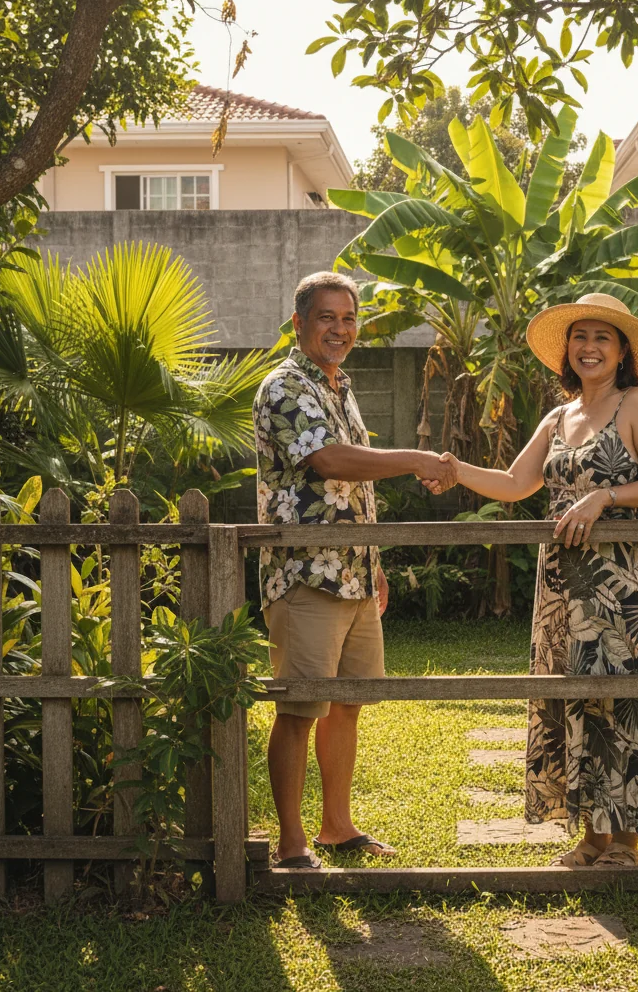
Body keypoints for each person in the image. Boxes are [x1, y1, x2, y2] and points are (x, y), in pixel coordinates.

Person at [427, 292, 638, 867]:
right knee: (574, 696)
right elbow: (518, 483)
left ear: (622, 352)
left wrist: (603, 496)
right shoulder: (557, 416)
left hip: (623, 582)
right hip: (562, 588)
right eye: (580, 337)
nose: (589, 347)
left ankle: (626, 840)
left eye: (602, 338)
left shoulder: (637, 403)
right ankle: (593, 835)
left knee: (621, 696)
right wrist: (453, 470)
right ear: (567, 351)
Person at [253, 270, 457, 870]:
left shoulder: (339, 386)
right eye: (327, 318)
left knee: (347, 703)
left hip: (355, 575)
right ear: (299, 323)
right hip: (305, 576)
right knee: (299, 707)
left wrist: (375, 563)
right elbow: (328, 460)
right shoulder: (286, 386)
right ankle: (291, 845)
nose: (340, 329)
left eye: (348, 319)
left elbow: (353, 487)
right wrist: (416, 458)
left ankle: (337, 828)